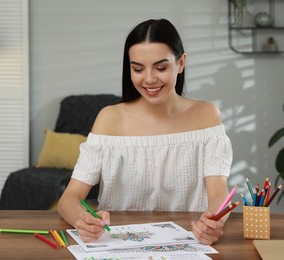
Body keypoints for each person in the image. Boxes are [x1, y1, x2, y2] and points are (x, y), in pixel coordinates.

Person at [58, 18, 233, 245]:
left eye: (161, 67)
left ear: (181, 63)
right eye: (138, 69)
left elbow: (219, 194)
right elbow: (69, 198)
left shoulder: (206, 115)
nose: (149, 79)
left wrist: (213, 221)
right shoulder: (109, 118)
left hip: (189, 243)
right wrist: (83, 220)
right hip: (119, 244)